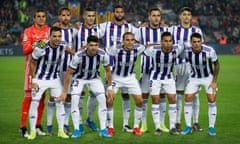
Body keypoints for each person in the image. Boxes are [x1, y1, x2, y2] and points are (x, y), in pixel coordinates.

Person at [59, 35, 113, 138]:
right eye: (91, 45)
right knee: (74, 100)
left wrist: (110, 88)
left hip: (94, 78)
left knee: (102, 99)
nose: (94, 48)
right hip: (79, 79)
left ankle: (103, 129)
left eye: (96, 45)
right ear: (87, 45)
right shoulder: (78, 56)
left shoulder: (103, 54)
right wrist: (65, 91)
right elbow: (69, 73)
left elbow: (108, 70)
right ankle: (76, 130)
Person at [99, 5, 139, 133]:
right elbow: (93, 33)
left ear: (124, 13)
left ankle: (126, 124)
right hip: (110, 68)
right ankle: (107, 124)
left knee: (126, 96)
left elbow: (140, 36)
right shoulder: (105, 26)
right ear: (113, 13)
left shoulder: (130, 27)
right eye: (117, 12)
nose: (120, 14)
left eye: (122, 12)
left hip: (126, 69)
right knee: (109, 97)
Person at [28, 26, 71, 140]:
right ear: (49, 36)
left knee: (60, 103)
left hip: (54, 79)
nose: (57, 39)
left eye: (59, 36)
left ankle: (61, 131)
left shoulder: (62, 44)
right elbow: (32, 63)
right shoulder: (41, 46)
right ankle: (32, 131)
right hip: (40, 79)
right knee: (35, 103)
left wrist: (77, 53)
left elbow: (67, 49)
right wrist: (34, 80)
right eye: (54, 36)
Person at [169, 7, 204, 132]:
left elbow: (200, 47)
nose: (186, 17)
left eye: (189, 14)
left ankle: (195, 122)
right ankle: (178, 121)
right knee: (179, 94)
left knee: (195, 95)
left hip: (193, 67)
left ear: (191, 17)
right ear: (180, 16)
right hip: (178, 66)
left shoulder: (197, 30)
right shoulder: (172, 29)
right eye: (184, 14)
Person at [135, 7, 169, 133]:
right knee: (144, 96)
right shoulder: (142, 30)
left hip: (162, 70)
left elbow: (170, 45)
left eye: (158, 15)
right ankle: (143, 124)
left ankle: (161, 123)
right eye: (153, 15)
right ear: (149, 17)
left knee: (161, 96)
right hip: (146, 68)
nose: (156, 18)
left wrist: (150, 46)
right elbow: (136, 45)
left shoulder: (166, 29)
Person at [181, 32, 219, 136]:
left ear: (202, 41)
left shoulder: (209, 51)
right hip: (194, 78)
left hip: (208, 78)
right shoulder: (187, 50)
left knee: (211, 100)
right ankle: (188, 126)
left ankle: (211, 127)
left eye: (199, 41)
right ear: (191, 42)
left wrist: (214, 81)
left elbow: (217, 65)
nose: (197, 44)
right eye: (194, 42)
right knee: (188, 98)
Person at [106, 32, 144, 136]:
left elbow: (146, 46)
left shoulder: (138, 48)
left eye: (132, 40)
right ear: (123, 41)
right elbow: (105, 51)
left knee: (140, 101)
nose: (130, 42)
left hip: (130, 78)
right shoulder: (116, 49)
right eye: (127, 40)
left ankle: (136, 127)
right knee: (109, 99)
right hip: (116, 77)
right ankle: (110, 127)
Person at [144, 31, 182, 135]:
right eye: (165, 41)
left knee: (172, 99)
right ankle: (157, 128)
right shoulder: (153, 50)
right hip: (155, 77)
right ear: (161, 42)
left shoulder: (177, 49)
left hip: (169, 77)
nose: (168, 43)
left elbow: (185, 45)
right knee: (155, 100)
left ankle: (172, 127)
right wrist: (156, 44)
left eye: (170, 41)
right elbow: (145, 48)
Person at [20, 9, 49, 138]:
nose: (41, 18)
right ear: (34, 18)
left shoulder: (49, 30)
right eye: (38, 16)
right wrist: (41, 43)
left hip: (45, 69)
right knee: (28, 97)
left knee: (42, 97)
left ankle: (37, 125)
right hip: (31, 68)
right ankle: (23, 127)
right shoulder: (28, 31)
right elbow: (26, 50)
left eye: (43, 16)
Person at [47, 7, 75, 136]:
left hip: (70, 69)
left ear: (70, 17)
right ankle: (49, 126)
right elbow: (43, 44)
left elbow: (77, 48)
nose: (65, 17)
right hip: (54, 70)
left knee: (68, 97)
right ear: (59, 16)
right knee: (53, 98)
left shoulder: (74, 31)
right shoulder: (52, 30)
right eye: (63, 15)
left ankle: (65, 124)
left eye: (68, 15)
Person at [74, 7, 101, 133]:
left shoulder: (99, 30)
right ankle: (78, 122)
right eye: (88, 16)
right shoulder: (77, 29)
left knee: (94, 94)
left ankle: (89, 119)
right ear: (84, 17)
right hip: (78, 68)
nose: (91, 18)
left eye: (92, 16)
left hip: (94, 68)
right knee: (79, 94)